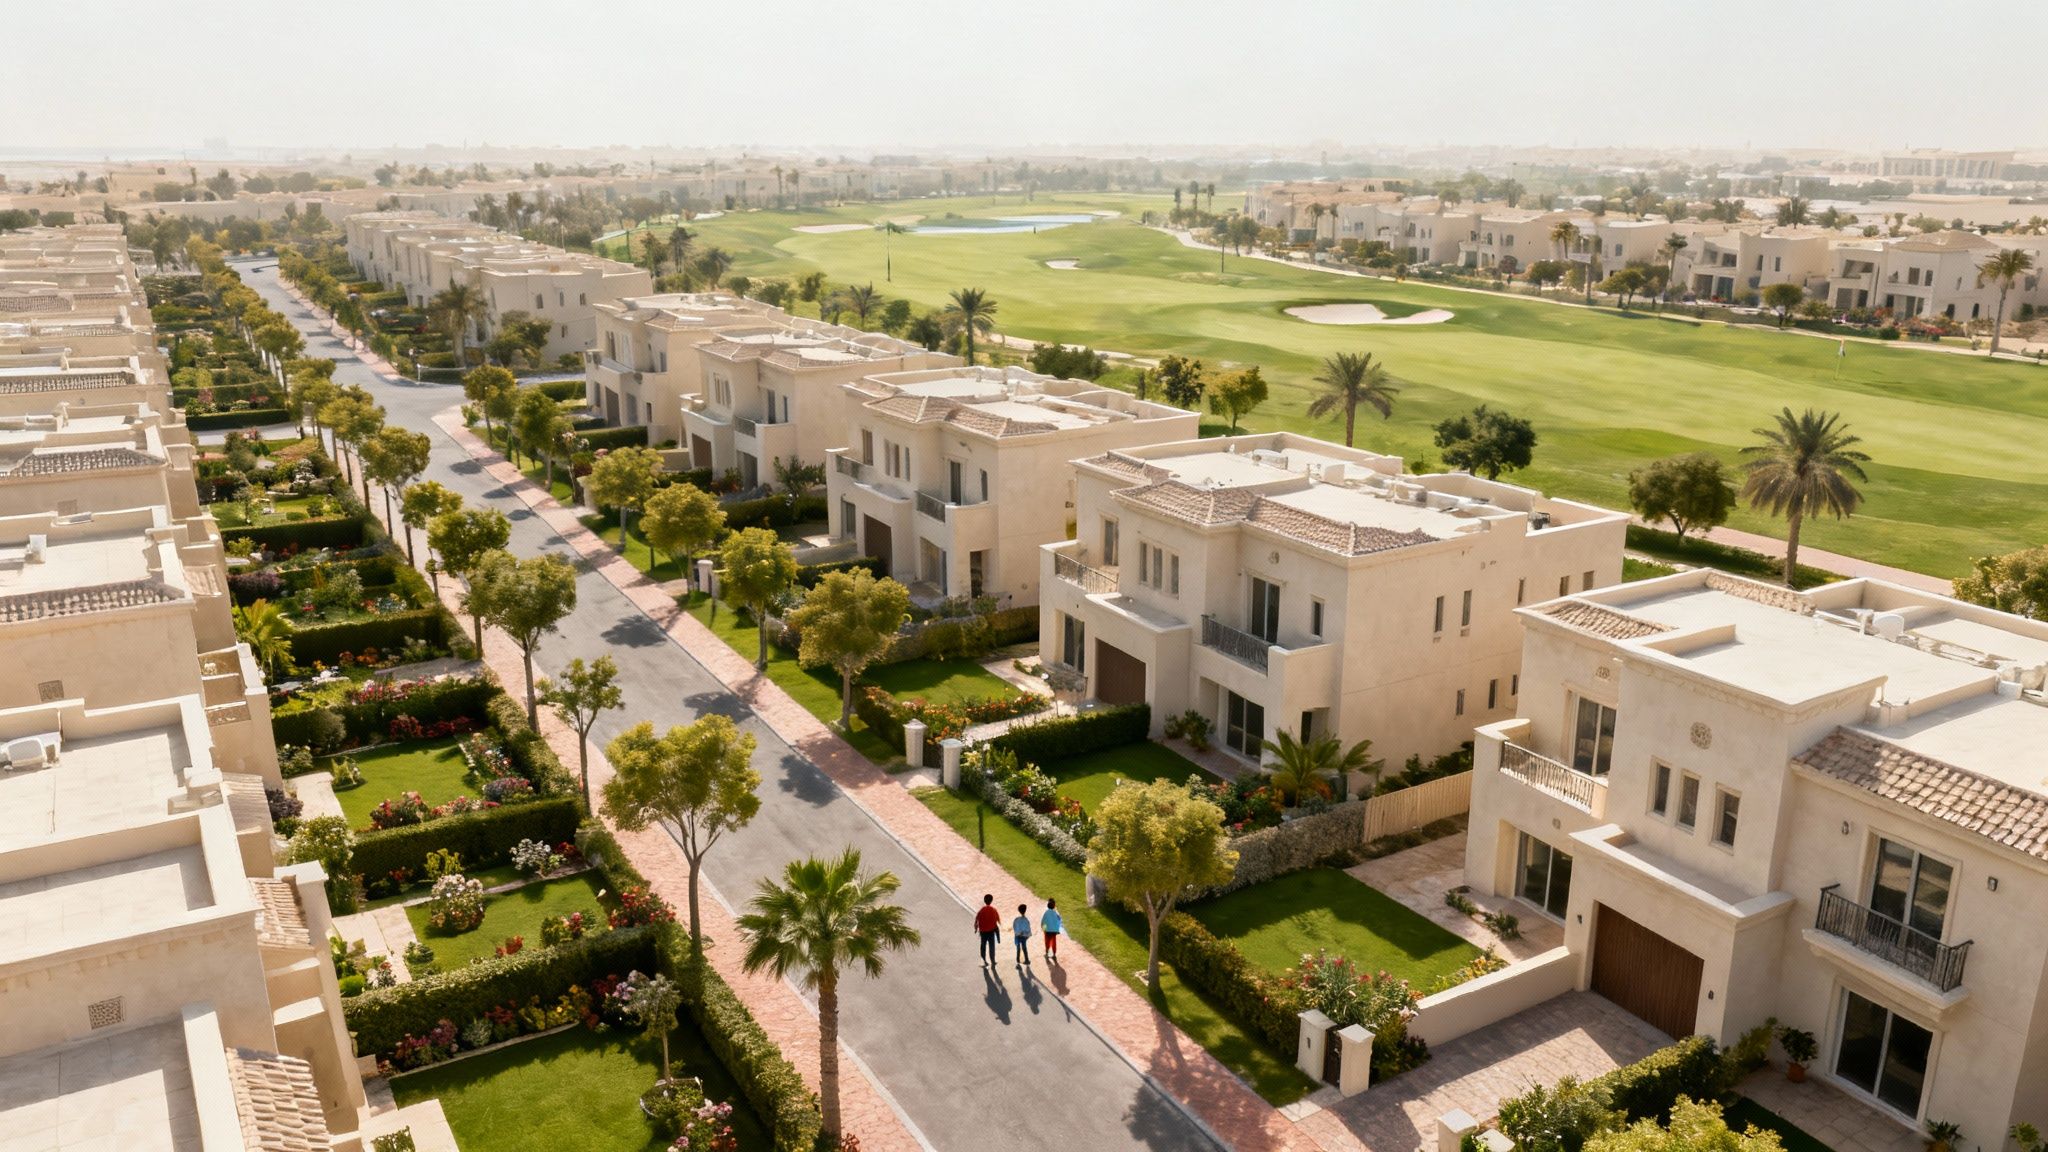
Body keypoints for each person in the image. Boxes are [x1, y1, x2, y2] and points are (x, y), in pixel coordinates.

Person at [974, 894, 1001, 966]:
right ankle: (993, 961)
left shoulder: (981, 910)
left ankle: (984, 961)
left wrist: (976, 928)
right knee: (992, 946)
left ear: (984, 900)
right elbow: (997, 919)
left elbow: (977, 919)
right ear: (991, 901)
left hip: (983, 932)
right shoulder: (993, 910)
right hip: (991, 932)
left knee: (983, 946)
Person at [1039, 897, 1063, 963]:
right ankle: (1054, 954)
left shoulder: (1046, 912)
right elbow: (1059, 920)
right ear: (1054, 906)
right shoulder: (1055, 913)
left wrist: (1043, 929)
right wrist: (1057, 929)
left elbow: (1043, 921)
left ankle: (1047, 953)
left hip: (1047, 931)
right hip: (1054, 931)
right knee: (1054, 942)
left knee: (1047, 941)